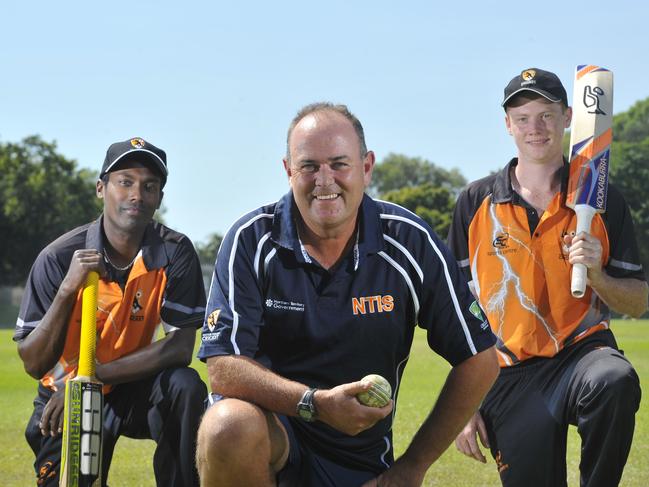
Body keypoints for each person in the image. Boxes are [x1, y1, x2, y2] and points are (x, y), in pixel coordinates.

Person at [195, 102, 499, 486]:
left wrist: (412, 467)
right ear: (289, 170)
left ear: (366, 167)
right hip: (274, 443)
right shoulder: (251, 239)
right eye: (309, 166)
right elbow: (222, 367)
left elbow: (480, 359)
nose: (324, 180)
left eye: (339, 164)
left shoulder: (408, 240)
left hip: (361, 463)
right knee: (227, 425)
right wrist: (315, 405)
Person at [448, 68, 648, 487]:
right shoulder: (474, 202)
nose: (534, 128)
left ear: (569, 117)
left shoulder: (603, 199)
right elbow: (455, 312)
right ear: (508, 125)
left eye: (546, 115)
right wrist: (464, 404)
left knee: (614, 381)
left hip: (583, 353)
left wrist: (597, 276)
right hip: (508, 370)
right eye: (522, 118)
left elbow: (639, 300)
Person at [14, 137, 207, 487]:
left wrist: (96, 376)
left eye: (150, 186)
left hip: (130, 385)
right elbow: (32, 363)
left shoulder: (174, 251)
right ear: (102, 189)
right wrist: (68, 290)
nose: (137, 194)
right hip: (65, 396)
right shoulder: (57, 258)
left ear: (159, 198)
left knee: (185, 386)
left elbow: (180, 348)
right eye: (125, 182)